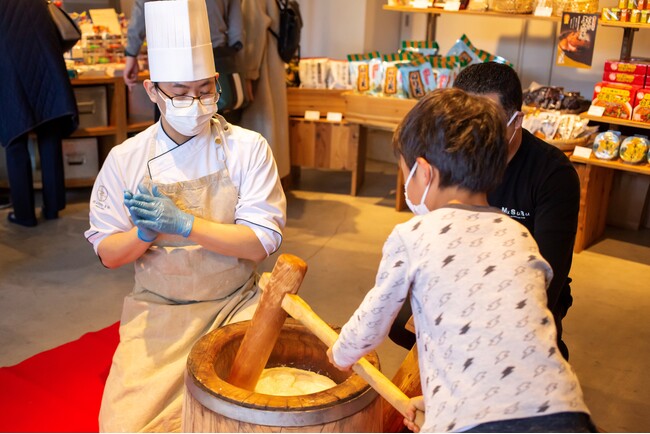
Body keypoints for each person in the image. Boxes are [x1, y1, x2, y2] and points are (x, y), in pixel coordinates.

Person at [328, 88, 593, 433]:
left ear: (423, 172)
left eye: (404, 171)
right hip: (563, 411)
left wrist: (341, 353)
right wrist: (444, 405)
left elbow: (372, 323)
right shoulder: (518, 235)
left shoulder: (414, 236)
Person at [84, 0, 285, 431]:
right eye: (178, 93)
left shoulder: (247, 148)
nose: (194, 103)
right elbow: (108, 252)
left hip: (235, 303)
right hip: (158, 308)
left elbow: (262, 241)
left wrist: (186, 223)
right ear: (152, 90)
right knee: (126, 425)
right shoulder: (127, 159)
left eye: (204, 90)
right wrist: (144, 233)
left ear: (217, 82)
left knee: (251, 414)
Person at [390, 62, 580, 361]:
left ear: (516, 121)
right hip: (458, 274)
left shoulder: (552, 174)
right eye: (462, 122)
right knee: (400, 321)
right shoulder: (451, 154)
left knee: (525, 350)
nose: (472, 136)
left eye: (486, 123)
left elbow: (548, 277)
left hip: (523, 286)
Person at [0, 0, 78, 226]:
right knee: (49, 136)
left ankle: (24, 215)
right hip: (46, 72)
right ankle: (52, 208)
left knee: (15, 141)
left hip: (10, 76)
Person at [123, 0, 246, 123]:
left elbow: (141, 11)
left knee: (172, 113)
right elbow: (237, 30)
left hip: (169, 59)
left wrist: (131, 54)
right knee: (214, 117)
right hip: (215, 56)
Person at [239, 0, 291, 180]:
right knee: (274, 124)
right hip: (273, 59)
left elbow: (253, 29)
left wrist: (249, 73)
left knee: (261, 124)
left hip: (263, 63)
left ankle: (263, 182)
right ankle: (275, 178)